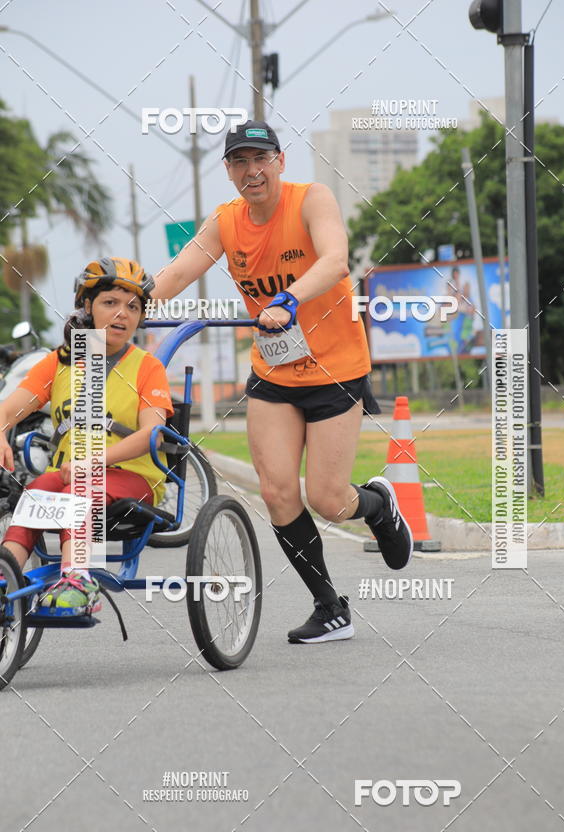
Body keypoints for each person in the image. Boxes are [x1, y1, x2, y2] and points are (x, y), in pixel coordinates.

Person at [152, 120, 412, 644]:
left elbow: (336, 261)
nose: (252, 171)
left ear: (280, 161)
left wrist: (288, 299)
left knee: (328, 498)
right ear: (228, 171)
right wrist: (119, 303)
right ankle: (330, 607)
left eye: (261, 159)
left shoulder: (311, 200)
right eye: (240, 162)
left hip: (335, 368)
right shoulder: (226, 222)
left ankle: (380, 505)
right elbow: (177, 274)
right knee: (276, 493)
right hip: (274, 371)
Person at [0, 257, 173, 613]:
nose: (122, 314)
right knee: (33, 493)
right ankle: (5, 580)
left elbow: (152, 435)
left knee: (80, 487)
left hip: (132, 479)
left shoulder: (147, 366)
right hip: (67, 477)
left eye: (133, 307)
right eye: (110, 303)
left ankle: (79, 579)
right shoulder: (61, 362)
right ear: (87, 306)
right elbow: (8, 408)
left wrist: (93, 463)